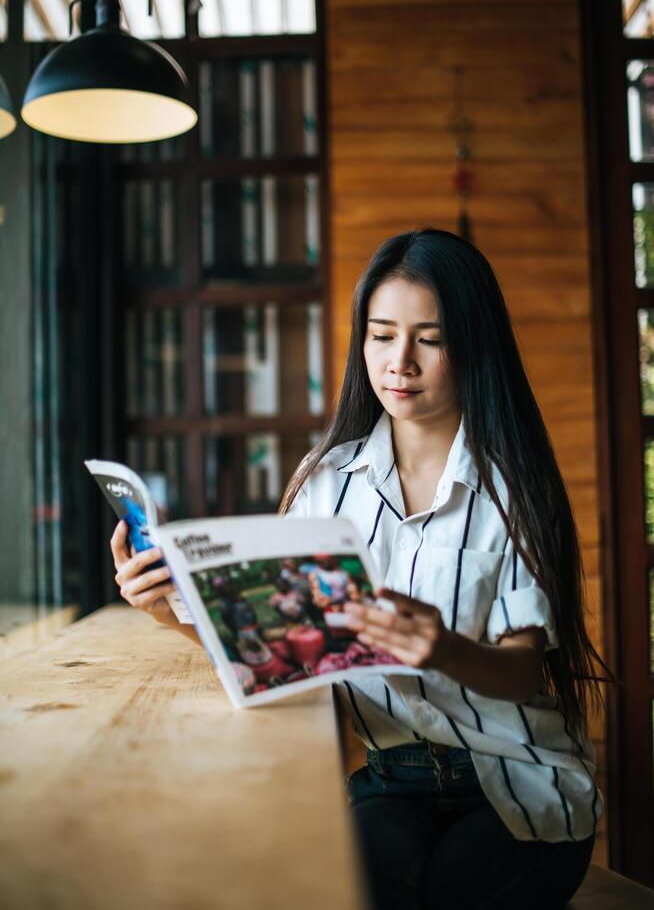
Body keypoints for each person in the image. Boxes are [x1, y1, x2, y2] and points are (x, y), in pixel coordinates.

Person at [111, 228, 609, 910]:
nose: (400, 361)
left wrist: (445, 650)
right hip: (390, 780)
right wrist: (170, 612)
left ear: (473, 344)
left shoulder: (515, 488)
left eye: (429, 339)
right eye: (381, 335)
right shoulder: (324, 483)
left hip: (519, 778)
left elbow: (522, 672)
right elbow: (283, 651)